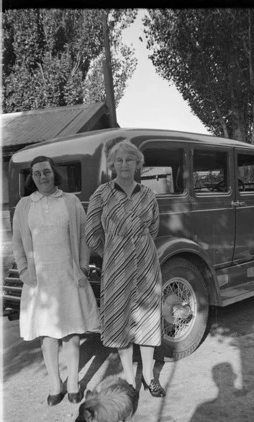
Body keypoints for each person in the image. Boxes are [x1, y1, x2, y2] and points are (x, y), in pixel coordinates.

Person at [12, 156, 99, 406]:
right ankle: (54, 384)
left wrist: (82, 267)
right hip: (40, 281)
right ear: (32, 177)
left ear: (54, 174)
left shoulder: (70, 202)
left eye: (46, 172)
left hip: (69, 277)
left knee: (71, 333)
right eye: (37, 173)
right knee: (47, 335)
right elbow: (17, 241)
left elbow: (83, 237)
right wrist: (23, 271)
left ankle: (73, 382)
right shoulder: (24, 205)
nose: (42, 177)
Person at [85, 140, 165, 397]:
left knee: (148, 320)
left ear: (137, 163)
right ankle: (131, 380)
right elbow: (92, 233)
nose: (124, 165)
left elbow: (153, 229)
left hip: (146, 265)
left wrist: (137, 246)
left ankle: (149, 377)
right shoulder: (102, 194)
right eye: (119, 160)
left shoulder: (148, 194)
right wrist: (112, 252)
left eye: (130, 160)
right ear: (112, 165)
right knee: (120, 321)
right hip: (116, 265)